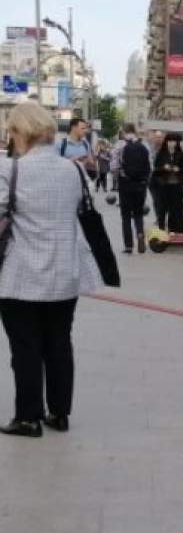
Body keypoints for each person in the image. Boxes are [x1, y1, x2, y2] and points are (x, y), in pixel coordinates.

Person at [0, 101, 102, 437]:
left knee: (25, 347)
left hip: (19, 276)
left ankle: (28, 417)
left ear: (19, 132)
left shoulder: (8, 170)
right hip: (64, 274)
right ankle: (59, 414)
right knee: (59, 343)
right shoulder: (72, 170)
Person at [114, 123, 152, 254]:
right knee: (138, 213)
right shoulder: (144, 145)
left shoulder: (120, 145)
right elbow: (149, 166)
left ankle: (128, 245)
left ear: (124, 131)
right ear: (134, 131)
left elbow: (114, 166)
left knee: (125, 215)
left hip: (125, 183)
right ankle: (140, 234)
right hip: (140, 185)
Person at [152, 132, 183, 233]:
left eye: (174, 141)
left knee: (176, 209)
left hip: (177, 185)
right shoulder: (161, 153)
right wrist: (164, 168)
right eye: (169, 141)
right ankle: (161, 230)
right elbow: (156, 170)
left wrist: (179, 169)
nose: (172, 143)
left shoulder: (181, 154)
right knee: (162, 209)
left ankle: (176, 231)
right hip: (163, 185)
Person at [147, 129, 166, 228]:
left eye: (160, 137)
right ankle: (158, 217)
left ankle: (161, 217)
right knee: (155, 200)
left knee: (161, 200)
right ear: (154, 138)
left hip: (163, 179)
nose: (158, 139)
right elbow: (148, 162)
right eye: (157, 137)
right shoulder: (150, 149)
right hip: (152, 179)